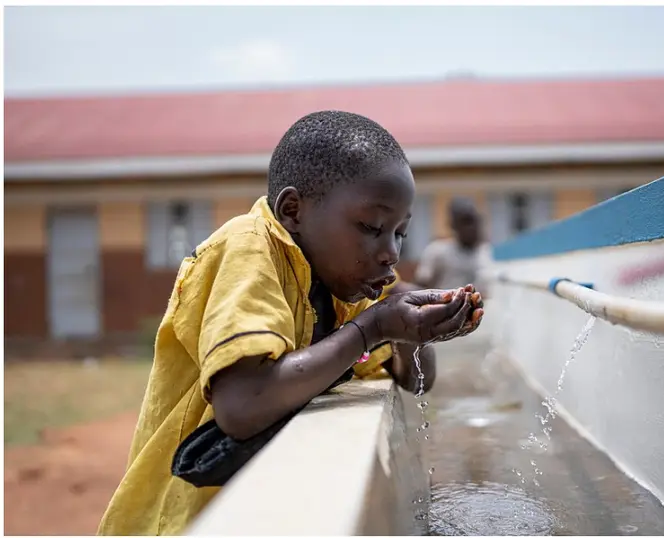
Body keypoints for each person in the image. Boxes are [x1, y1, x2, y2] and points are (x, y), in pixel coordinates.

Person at [97, 111, 483, 536]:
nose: (390, 251)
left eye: (399, 233)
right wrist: (373, 328)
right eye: (372, 227)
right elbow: (241, 406)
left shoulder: (343, 287)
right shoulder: (247, 249)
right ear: (293, 210)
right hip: (187, 519)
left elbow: (417, 379)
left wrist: (410, 332)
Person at [415, 196, 493, 291]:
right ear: (453, 225)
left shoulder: (487, 252)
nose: (472, 227)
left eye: (475, 221)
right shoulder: (437, 251)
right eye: (466, 222)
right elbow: (421, 286)